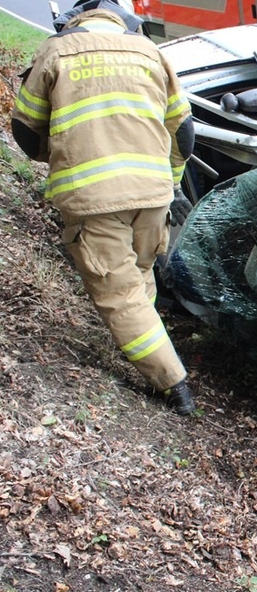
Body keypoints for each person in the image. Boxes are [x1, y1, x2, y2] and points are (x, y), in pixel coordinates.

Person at [11, 0, 197, 415]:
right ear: (124, 20)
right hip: (152, 194)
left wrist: (63, 151)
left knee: (119, 294)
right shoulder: (152, 52)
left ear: (74, 19)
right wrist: (170, 180)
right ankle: (153, 347)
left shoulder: (56, 51)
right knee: (140, 277)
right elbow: (183, 132)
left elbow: (24, 130)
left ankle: (174, 385)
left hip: (94, 198)